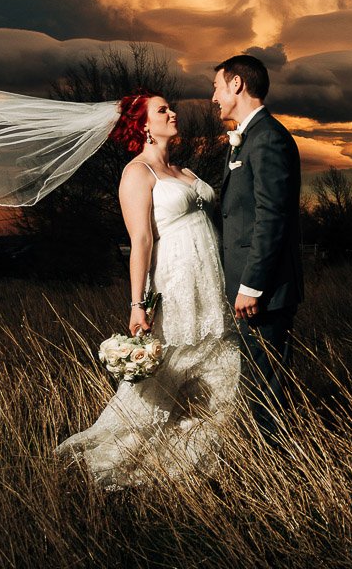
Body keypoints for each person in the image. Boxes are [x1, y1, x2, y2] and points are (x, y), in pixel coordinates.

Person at [53, 92, 241, 488]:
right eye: (162, 110)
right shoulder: (137, 173)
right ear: (142, 126)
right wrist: (138, 304)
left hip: (211, 284)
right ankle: (117, 459)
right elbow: (140, 241)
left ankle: (192, 465)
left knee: (225, 378)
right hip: (174, 285)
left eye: (170, 107)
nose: (172, 113)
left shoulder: (186, 172)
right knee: (160, 384)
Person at [212, 55, 303, 441]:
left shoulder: (267, 138)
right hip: (250, 288)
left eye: (216, 87)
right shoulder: (247, 139)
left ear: (236, 84)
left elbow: (272, 217)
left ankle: (279, 473)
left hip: (264, 290)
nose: (213, 97)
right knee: (257, 381)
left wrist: (251, 285)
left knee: (266, 389)